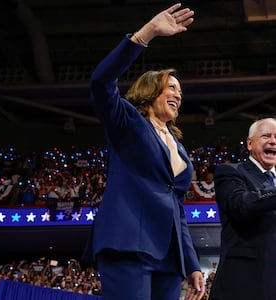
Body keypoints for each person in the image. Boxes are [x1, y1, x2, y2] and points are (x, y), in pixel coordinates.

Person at [89, 3, 204, 300]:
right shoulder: (128, 123)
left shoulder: (178, 146)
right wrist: (147, 33)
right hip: (129, 244)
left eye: (180, 90)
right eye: (171, 87)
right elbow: (101, 82)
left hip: (168, 254)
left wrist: (191, 263)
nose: (178, 94)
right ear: (151, 90)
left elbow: (177, 207)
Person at [209, 118, 276, 300]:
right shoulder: (230, 172)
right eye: (266, 135)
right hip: (243, 284)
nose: (273, 141)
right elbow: (241, 205)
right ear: (250, 143)